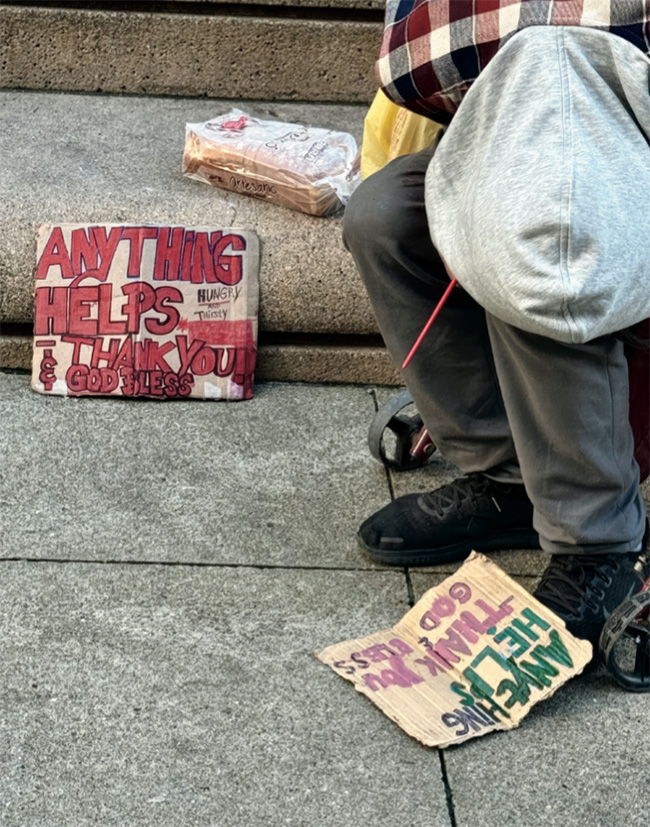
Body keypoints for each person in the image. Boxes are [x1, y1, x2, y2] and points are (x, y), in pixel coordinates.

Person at [343, 6, 650, 649]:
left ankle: (598, 545)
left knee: (541, 240)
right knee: (385, 218)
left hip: (631, 125)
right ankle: (510, 478)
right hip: (532, 107)